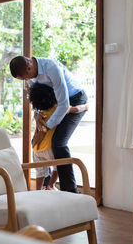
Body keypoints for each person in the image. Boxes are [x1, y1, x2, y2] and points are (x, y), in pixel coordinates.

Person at [10, 56, 88, 193]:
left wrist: (45, 128)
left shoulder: (51, 68)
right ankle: (48, 187)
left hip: (74, 100)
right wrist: (37, 113)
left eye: (24, 78)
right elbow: (34, 98)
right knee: (43, 144)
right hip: (53, 102)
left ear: (29, 67)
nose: (26, 81)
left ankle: (71, 191)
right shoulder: (30, 75)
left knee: (58, 142)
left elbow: (64, 105)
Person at [29, 83, 88, 190]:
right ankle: (50, 185)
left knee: (40, 172)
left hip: (36, 149)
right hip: (49, 148)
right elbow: (75, 109)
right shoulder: (57, 109)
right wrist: (85, 106)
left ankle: (37, 191)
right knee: (58, 166)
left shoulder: (40, 113)